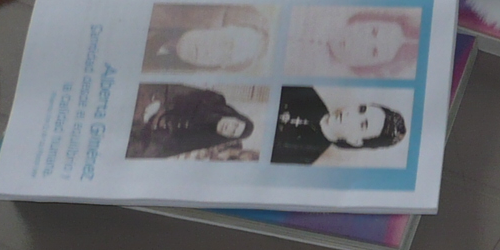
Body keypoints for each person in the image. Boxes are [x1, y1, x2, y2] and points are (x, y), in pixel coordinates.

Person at [271, 86, 407, 164]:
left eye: (362, 125)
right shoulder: (304, 92)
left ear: (355, 141)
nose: (350, 115)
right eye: (361, 109)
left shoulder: (303, 157)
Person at [127, 86, 254, 159]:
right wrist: (158, 106)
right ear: (234, 117)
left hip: (143, 128)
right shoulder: (213, 100)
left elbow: (160, 149)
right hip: (151, 101)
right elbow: (172, 90)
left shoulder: (201, 143)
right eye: (235, 124)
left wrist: (148, 125)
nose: (229, 127)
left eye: (232, 132)